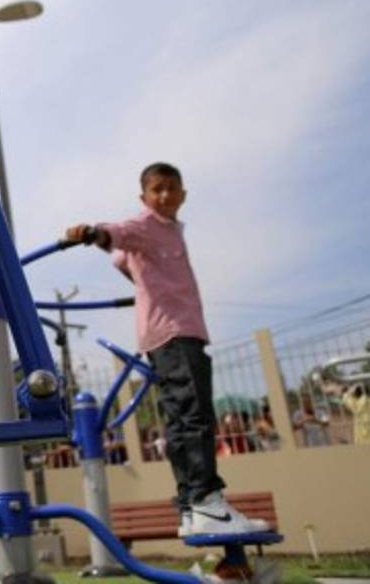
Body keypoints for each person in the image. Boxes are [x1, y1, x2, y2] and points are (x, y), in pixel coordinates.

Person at [65, 162, 269, 537]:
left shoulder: (169, 232)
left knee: (179, 421)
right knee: (195, 416)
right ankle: (207, 501)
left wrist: (141, 278)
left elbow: (122, 257)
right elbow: (118, 234)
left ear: (183, 194)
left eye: (171, 188)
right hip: (176, 332)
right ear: (143, 197)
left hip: (164, 335)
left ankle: (191, 507)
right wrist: (93, 232)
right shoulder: (147, 224)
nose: (164, 195)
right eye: (156, 189)